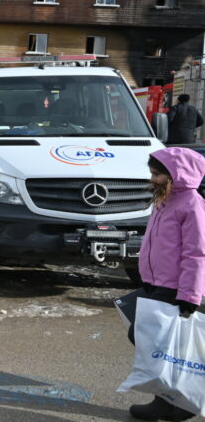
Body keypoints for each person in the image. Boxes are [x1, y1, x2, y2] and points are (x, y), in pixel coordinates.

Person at [126, 147, 205, 421]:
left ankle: (179, 403)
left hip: (175, 287)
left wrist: (190, 296)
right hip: (155, 283)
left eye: (157, 174)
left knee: (166, 344)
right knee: (151, 340)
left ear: (177, 175)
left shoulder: (192, 205)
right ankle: (166, 400)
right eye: (151, 173)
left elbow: (196, 253)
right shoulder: (165, 201)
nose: (152, 179)